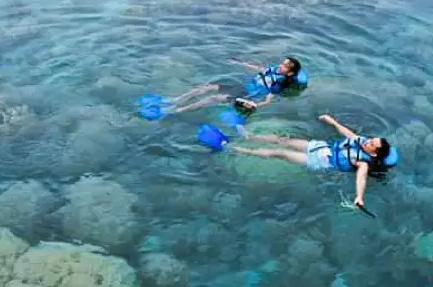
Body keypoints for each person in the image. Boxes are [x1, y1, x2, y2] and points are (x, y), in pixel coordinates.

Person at [231, 113, 397, 209]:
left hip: (318, 161)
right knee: (283, 140)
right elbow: (345, 132)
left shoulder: (363, 163)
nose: (368, 141)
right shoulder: (360, 141)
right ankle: (250, 136)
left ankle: (243, 150)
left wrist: (359, 197)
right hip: (319, 147)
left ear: (374, 154)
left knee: (280, 153)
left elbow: (361, 178)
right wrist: (331, 120)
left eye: (372, 144)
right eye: (371, 139)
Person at [166, 56, 304, 116]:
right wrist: (240, 63)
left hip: (245, 95)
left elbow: (268, 100)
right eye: (283, 62)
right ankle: (175, 100)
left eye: (285, 66)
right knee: (207, 87)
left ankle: (179, 110)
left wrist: (252, 105)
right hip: (242, 87)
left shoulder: (279, 84)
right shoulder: (274, 69)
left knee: (213, 99)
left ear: (290, 73)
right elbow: (259, 69)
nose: (281, 65)